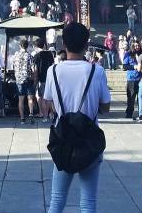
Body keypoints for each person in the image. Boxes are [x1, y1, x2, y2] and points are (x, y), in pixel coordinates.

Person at [43, 22, 111, 213]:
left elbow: (48, 103)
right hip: (89, 139)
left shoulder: (53, 71)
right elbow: (105, 107)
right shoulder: (97, 71)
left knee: (57, 200)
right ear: (86, 44)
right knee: (88, 201)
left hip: (63, 139)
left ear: (63, 43)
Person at [12, 38, 37, 124]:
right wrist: (35, 78)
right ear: (27, 46)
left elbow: (13, 66)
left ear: (20, 46)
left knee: (21, 99)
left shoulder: (15, 55)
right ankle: (31, 113)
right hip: (28, 79)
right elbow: (33, 68)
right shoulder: (29, 56)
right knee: (30, 98)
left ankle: (22, 118)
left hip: (19, 79)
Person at [34, 37, 56, 122]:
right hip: (50, 79)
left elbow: (35, 70)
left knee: (43, 99)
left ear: (36, 46)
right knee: (50, 99)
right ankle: (52, 114)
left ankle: (45, 117)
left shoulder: (36, 56)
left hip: (42, 79)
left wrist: (35, 82)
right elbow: (53, 65)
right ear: (44, 45)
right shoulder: (50, 54)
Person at [124, 41, 142, 119]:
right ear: (132, 46)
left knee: (141, 97)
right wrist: (133, 67)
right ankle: (129, 112)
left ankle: (141, 113)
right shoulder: (128, 54)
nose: (137, 47)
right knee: (131, 97)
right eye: (135, 46)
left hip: (141, 78)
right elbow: (124, 66)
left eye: (138, 45)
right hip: (131, 78)